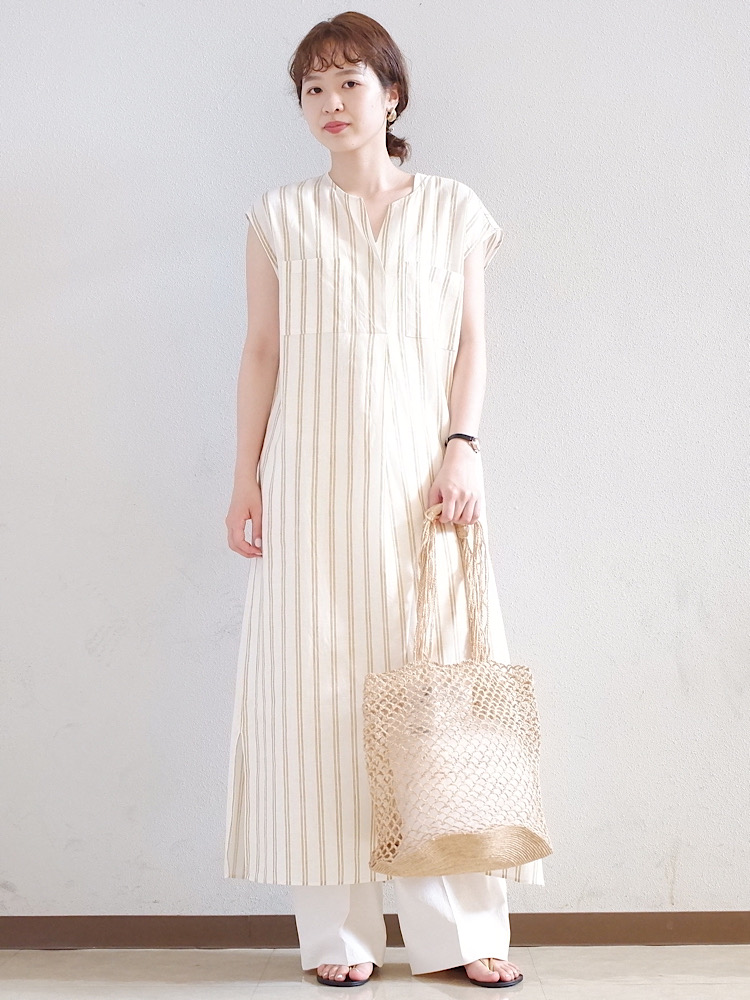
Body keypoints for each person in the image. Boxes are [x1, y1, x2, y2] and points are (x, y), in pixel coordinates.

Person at [223, 11, 544, 989]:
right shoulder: (279, 215)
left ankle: (461, 935)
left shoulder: (452, 209)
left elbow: (472, 342)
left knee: (438, 698)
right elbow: (262, 352)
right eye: (313, 88)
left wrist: (462, 446)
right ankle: (339, 938)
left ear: (392, 96)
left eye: (349, 82)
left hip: (422, 487)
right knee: (315, 697)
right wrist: (245, 476)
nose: (330, 102)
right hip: (310, 489)